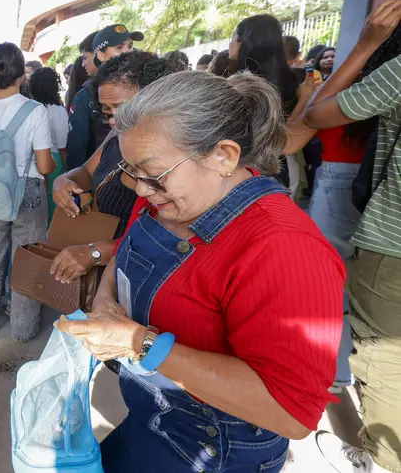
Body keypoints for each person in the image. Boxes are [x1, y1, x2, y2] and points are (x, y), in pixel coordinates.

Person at [56, 70, 344, 472]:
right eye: (131, 172)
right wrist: (106, 300)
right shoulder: (165, 196)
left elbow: (291, 413)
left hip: (213, 449)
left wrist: (140, 343)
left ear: (223, 156)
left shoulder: (285, 248)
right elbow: (125, 250)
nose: (140, 189)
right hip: (151, 417)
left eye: (152, 175)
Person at [303, 0, 401, 473]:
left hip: (387, 240)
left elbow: (313, 117)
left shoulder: (390, 74)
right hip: (365, 212)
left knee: (383, 358)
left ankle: (380, 459)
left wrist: (366, 44)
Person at [51, 51, 170, 283]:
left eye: (122, 108)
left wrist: (95, 253)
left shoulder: (171, 154)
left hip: (135, 273)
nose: (114, 120)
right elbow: (86, 171)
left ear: (155, 98)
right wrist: (64, 181)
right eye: (107, 112)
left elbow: (162, 236)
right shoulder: (116, 135)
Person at [0, 42, 54, 343]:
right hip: (28, 192)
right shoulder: (35, 111)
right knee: (26, 264)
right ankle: (23, 329)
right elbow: (44, 166)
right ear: (21, 74)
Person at [229, 14, 309, 189]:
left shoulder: (242, 85)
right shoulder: (292, 80)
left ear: (245, 42)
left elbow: (282, 139)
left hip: (248, 171)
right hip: (279, 170)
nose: (231, 43)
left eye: (233, 37)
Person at [66, 25, 141, 170]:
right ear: (101, 56)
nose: (128, 52)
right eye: (119, 48)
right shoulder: (86, 96)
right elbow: (76, 149)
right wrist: (77, 179)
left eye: (130, 46)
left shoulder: (146, 85)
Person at [28, 66, 68, 223]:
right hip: (54, 158)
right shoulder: (58, 110)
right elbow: (62, 144)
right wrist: (66, 166)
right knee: (52, 200)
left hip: (32, 158)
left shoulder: (30, 109)